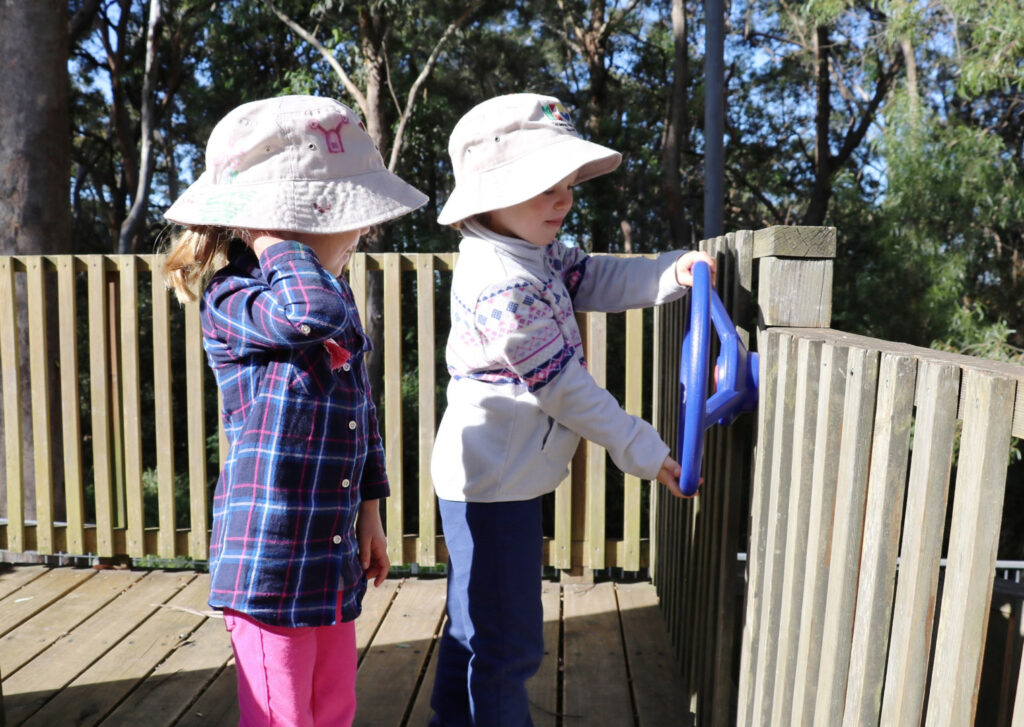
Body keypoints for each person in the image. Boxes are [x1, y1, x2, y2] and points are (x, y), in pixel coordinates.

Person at [428, 92, 716, 726]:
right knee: (507, 646)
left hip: (500, 476)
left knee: (478, 629)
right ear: (487, 196)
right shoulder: (501, 281)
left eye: (566, 184)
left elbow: (595, 276)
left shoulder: (531, 251)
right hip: (491, 483)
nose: (562, 199)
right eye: (541, 187)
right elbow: (563, 387)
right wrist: (642, 446)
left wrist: (672, 273)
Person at [161, 94, 428, 727]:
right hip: (268, 562)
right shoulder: (235, 297)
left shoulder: (331, 293)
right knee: (284, 718)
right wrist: (276, 238)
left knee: (333, 707)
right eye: (348, 213)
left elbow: (361, 413)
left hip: (328, 557)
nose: (363, 229)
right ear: (288, 221)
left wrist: (371, 512)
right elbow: (306, 315)